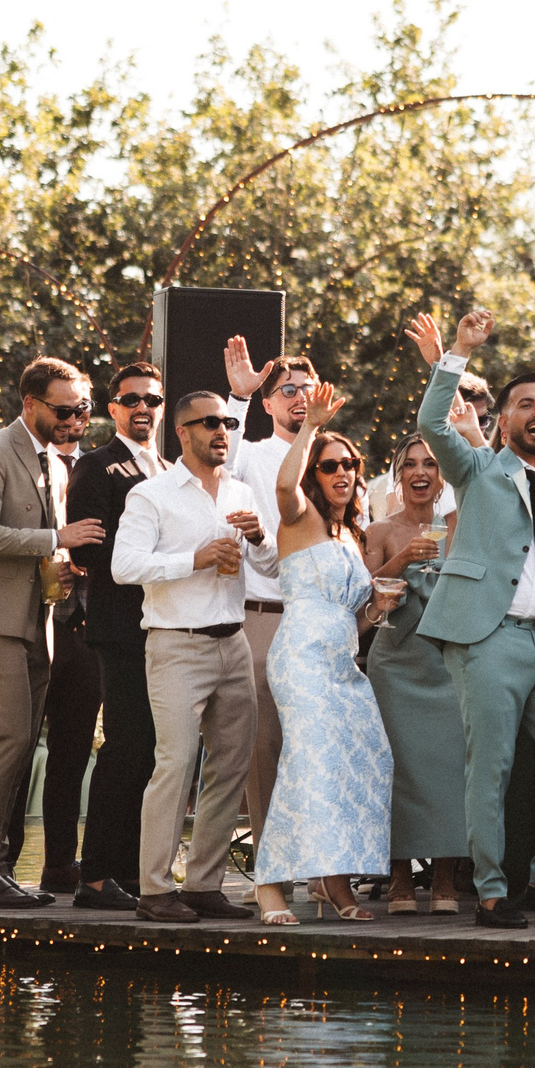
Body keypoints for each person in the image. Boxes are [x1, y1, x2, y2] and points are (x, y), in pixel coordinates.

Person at [412, 309, 535, 930]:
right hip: (487, 636)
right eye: (525, 403)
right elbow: (429, 422)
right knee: (489, 766)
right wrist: (460, 353)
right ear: (502, 420)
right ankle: (492, 892)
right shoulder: (477, 470)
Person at [0, 358, 105, 910]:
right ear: (30, 403)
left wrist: (58, 567)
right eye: (63, 410)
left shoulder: (57, 465)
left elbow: (33, 546)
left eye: (81, 409)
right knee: (9, 738)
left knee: (20, 743)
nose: (74, 419)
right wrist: (56, 537)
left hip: (39, 620)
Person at [111, 389, 276, 924]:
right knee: (175, 763)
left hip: (234, 641)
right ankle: (156, 891)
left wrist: (260, 539)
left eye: (227, 421)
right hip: (176, 643)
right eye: (208, 423)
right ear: (181, 432)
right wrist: (194, 559)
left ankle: (205, 885)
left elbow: (271, 569)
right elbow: (123, 566)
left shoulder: (243, 490)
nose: (221, 430)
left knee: (230, 767)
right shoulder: (152, 494)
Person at [253, 396, 399, 925]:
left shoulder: (349, 535)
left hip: (343, 661)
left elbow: (356, 617)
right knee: (309, 765)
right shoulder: (301, 517)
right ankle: (270, 886)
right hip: (301, 657)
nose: (342, 472)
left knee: (366, 759)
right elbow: (281, 487)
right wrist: (311, 426)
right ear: (316, 474)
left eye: (349, 464)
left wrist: (378, 608)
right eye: (330, 465)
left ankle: (333, 880)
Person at [62, 360, 168, 910]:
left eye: (152, 399)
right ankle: (96, 875)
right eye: (131, 400)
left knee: (156, 751)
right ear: (113, 409)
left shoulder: (173, 468)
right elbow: (84, 550)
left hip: (169, 627)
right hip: (120, 625)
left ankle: (132, 867)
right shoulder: (99, 467)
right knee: (126, 745)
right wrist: (153, 556)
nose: (143, 408)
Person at [362, 433, 472, 913]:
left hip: (446, 660)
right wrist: (403, 559)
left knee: (450, 769)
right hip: (396, 662)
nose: (421, 472)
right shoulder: (381, 529)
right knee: (399, 769)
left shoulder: (461, 525)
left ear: (442, 474)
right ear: (398, 475)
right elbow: (362, 598)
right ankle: (400, 876)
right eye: (410, 464)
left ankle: (445, 876)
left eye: (430, 463)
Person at [220, 342, 318, 852]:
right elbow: (221, 464)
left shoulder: (334, 457)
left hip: (323, 620)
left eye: (307, 388)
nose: (299, 397)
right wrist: (237, 399)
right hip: (265, 613)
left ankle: (326, 868)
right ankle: (270, 863)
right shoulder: (253, 454)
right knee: (264, 747)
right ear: (269, 404)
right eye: (288, 390)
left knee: (317, 742)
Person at [38, 420, 101, 893]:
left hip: (84, 628)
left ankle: (61, 864)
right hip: (33, 625)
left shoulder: (97, 470)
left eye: (81, 409)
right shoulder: (22, 467)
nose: (72, 420)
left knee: (73, 752)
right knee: (18, 750)